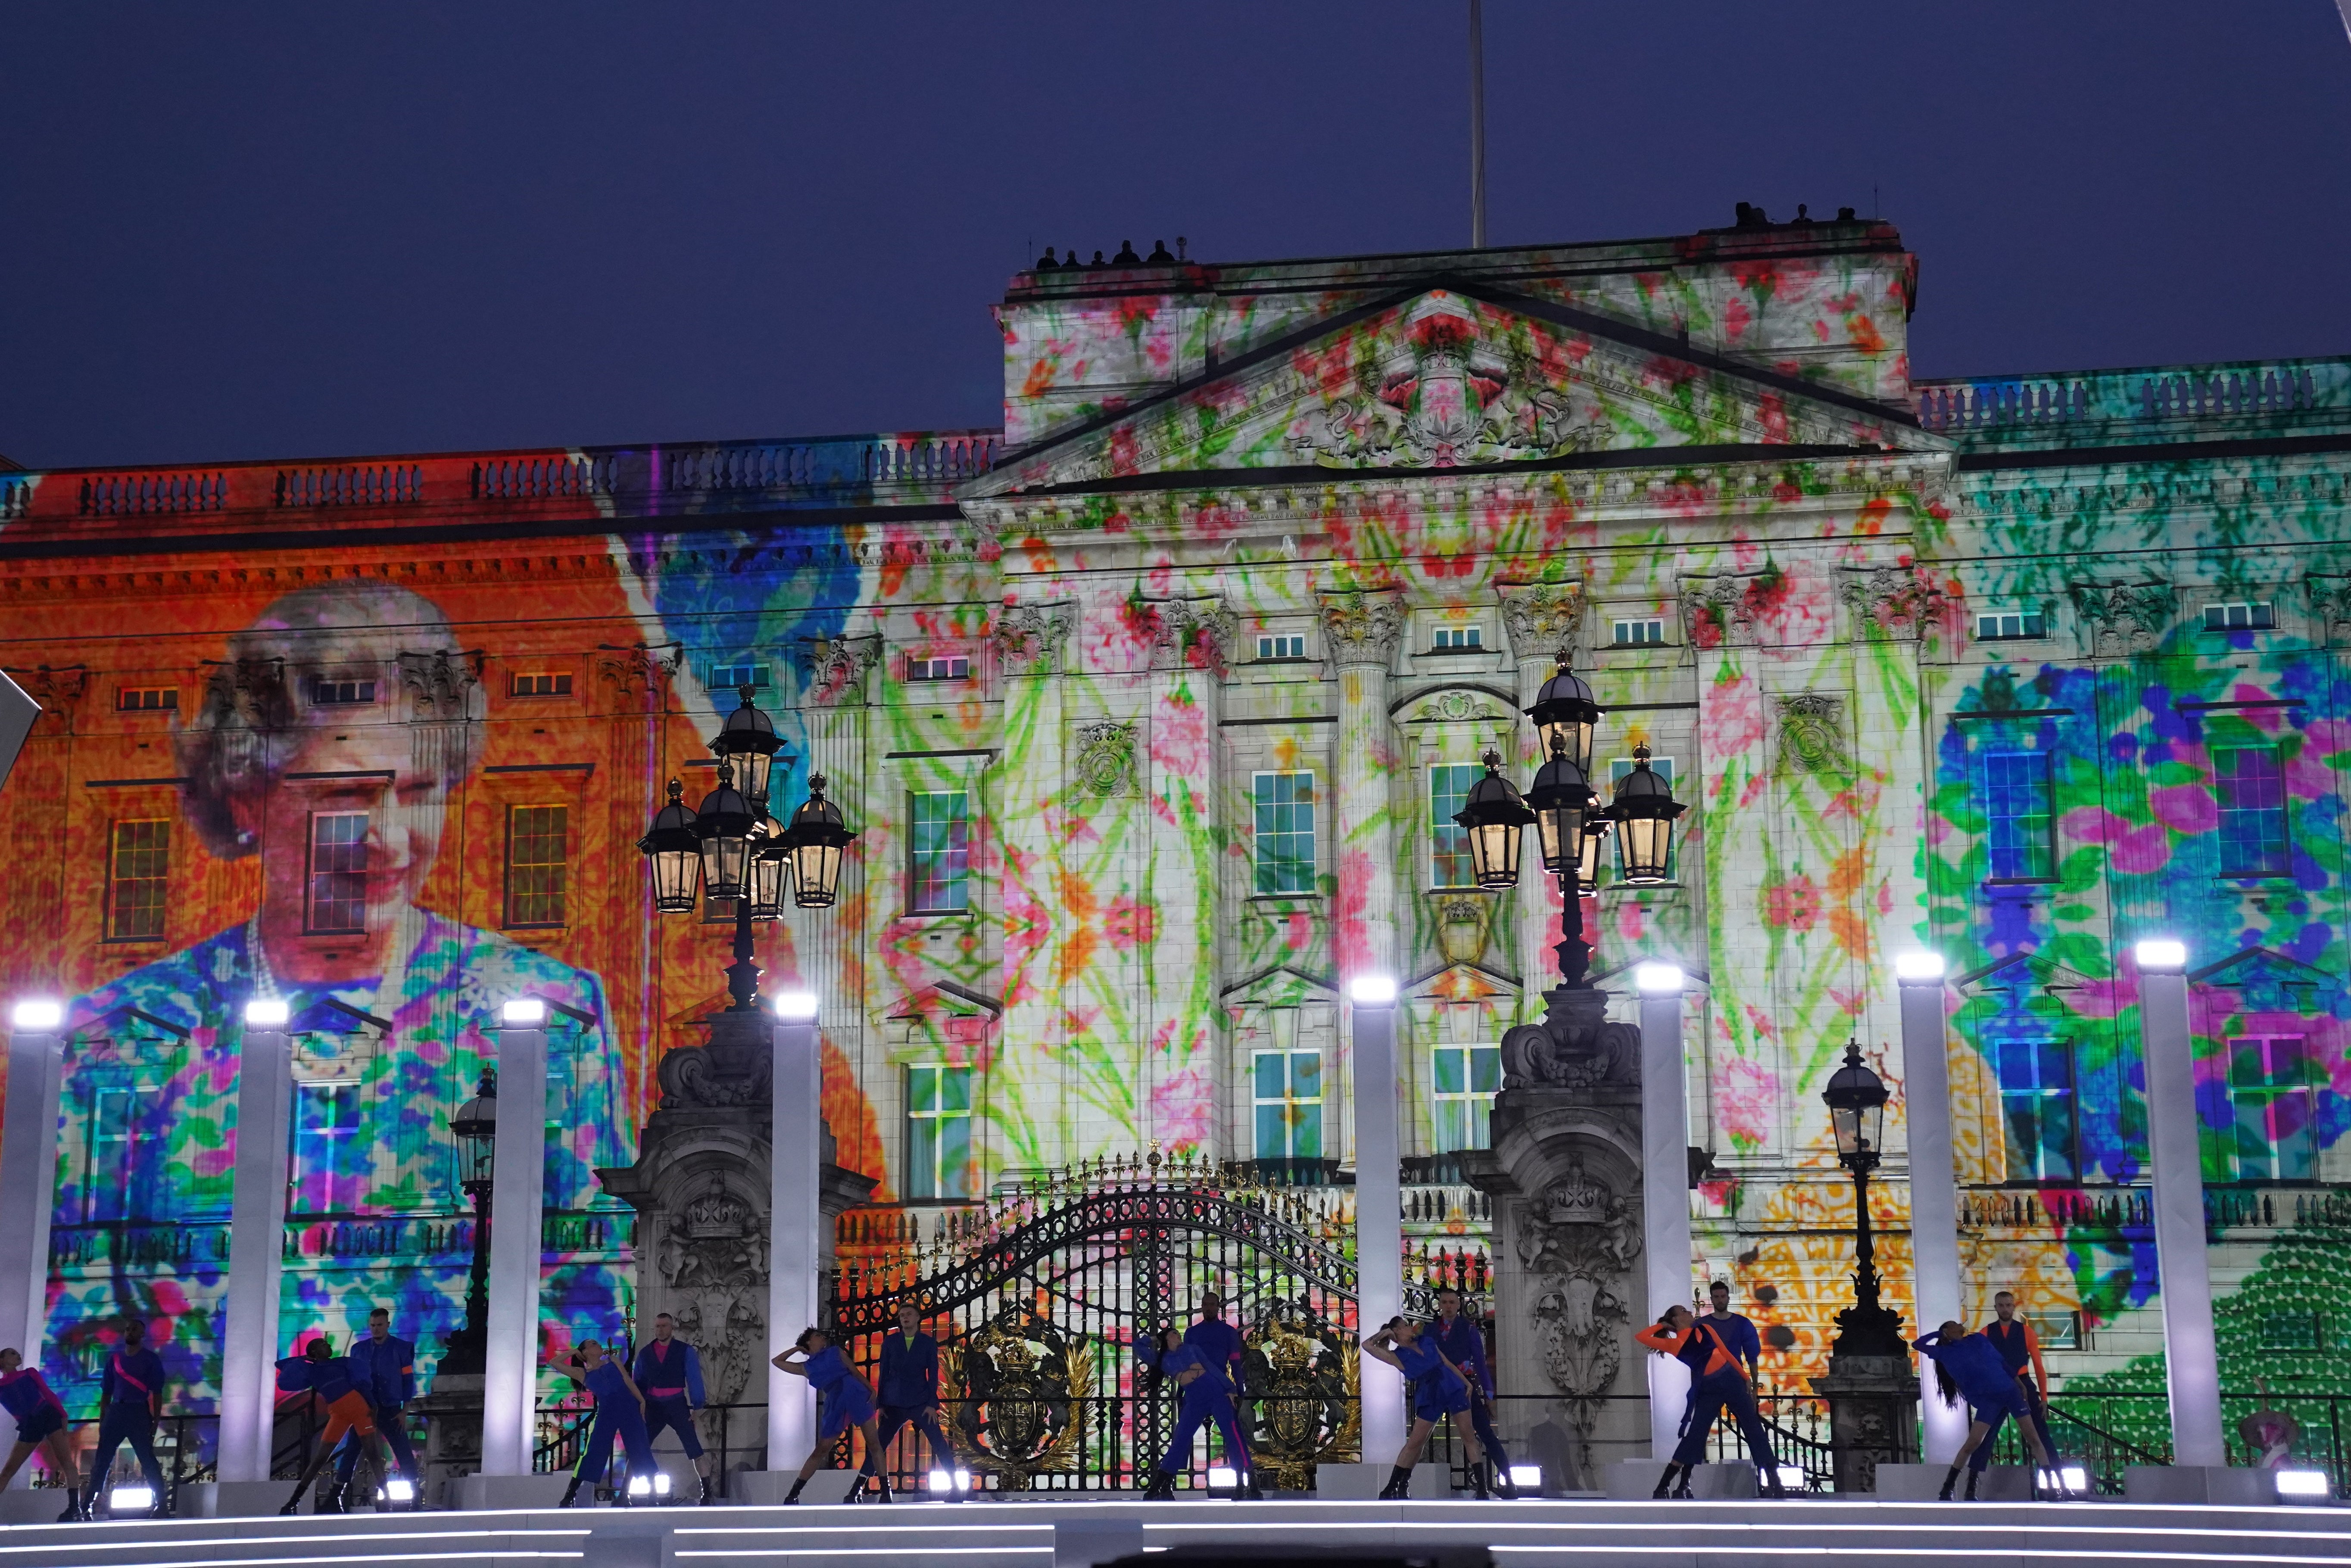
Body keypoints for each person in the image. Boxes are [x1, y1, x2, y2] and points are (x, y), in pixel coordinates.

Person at [53, 583, 630, 1377]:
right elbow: (67, 1294)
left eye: (421, 794)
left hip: (448, 1440)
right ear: (246, 792)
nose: (387, 843)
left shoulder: (549, 1010)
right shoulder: (124, 1027)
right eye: (345, 800)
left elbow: (594, 1274)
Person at [1634, 1304, 1784, 1500]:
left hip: (1731, 1380)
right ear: (1677, 1319)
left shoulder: (1705, 1329)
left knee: (1753, 1428)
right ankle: (1664, 1486)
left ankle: (1774, 1480)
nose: (1689, 1313)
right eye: (1684, 1312)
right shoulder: (1673, 1344)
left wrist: (1745, 1377)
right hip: (1709, 1388)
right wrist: (1663, 1325)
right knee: (1696, 1433)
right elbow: (1642, 1337)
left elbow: (1726, 1353)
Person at [1914, 1322, 2065, 1500]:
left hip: (2010, 1392)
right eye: (1955, 1325)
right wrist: (1938, 1335)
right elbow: (1917, 1345)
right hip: (1989, 1399)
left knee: (2033, 1438)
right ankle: (1948, 1487)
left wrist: (2019, 1384)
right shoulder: (1944, 1352)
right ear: (1947, 1332)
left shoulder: (1978, 1339)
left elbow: (2001, 1362)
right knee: (1973, 1443)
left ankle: (2052, 1487)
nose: (1960, 1325)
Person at [1361, 1317, 1491, 1500]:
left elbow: (1446, 1362)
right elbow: (1367, 1345)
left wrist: (1466, 1383)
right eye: (1405, 1326)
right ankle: (1393, 1487)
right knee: (1416, 1442)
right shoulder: (1397, 1356)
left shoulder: (1427, 1341)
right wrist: (1386, 1333)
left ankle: (1482, 1488)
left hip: (1452, 1387)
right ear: (1397, 1331)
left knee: (1468, 1435)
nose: (1409, 1327)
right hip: (1430, 1394)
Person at [773, 1328, 889, 1504]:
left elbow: (855, 1372)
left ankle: (886, 1492)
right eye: (817, 1336)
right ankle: (793, 1494)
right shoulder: (806, 1367)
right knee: (822, 1449)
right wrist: (798, 1349)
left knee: (874, 1444)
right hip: (836, 1403)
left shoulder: (835, 1352)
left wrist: (872, 1390)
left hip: (856, 1395)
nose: (822, 1338)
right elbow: (777, 1361)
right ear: (809, 1342)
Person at [1141, 1325, 1257, 1500]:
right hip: (1195, 1400)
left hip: (1216, 1393)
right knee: (1181, 1438)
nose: (1178, 1336)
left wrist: (1230, 1388)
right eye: (1174, 1334)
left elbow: (1211, 1367)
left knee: (1233, 1436)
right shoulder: (1161, 1359)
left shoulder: (1192, 1349)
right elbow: (1137, 1346)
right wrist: (1155, 1338)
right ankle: (1158, 1486)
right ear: (1166, 1338)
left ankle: (1249, 1485)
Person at [275, 1335, 386, 1515]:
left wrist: (373, 1406)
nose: (327, 1345)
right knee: (320, 1458)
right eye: (322, 1344)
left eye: (326, 1343)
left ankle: (387, 1500)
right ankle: (292, 1503)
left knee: (373, 1454)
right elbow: (281, 1364)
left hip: (359, 1408)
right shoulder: (311, 1371)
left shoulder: (341, 1363)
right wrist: (304, 1358)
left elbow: (361, 1382)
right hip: (338, 1413)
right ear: (313, 1352)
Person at [1430, 1288, 1516, 1499]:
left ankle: (1508, 1481)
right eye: (1445, 1302)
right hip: (1439, 1386)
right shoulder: (1431, 1331)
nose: (1448, 1306)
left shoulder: (1468, 1329)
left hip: (1464, 1388)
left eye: (1452, 1302)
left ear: (1459, 1305)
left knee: (1485, 1434)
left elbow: (1480, 1362)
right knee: (1422, 1435)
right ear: (1439, 1305)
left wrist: (1489, 1396)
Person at [1970, 1291, 2060, 1483]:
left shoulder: (2027, 1332)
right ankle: (1972, 1483)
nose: (2005, 1309)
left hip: (2022, 1383)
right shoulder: (1985, 1333)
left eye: (2008, 1305)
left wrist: (2044, 1398)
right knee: (1986, 1437)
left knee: (2041, 1434)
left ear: (2014, 1306)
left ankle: (2058, 1481)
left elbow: (2039, 1366)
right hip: (1998, 1386)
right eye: (2001, 1305)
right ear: (1996, 1308)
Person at [84, 1317, 169, 1520]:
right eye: (127, 1329)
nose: (130, 1332)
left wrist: (156, 1419)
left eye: (134, 1330)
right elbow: (106, 1392)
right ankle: (87, 1504)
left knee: (148, 1460)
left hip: (139, 1412)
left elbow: (157, 1392)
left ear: (142, 1334)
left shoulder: (150, 1359)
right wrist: (103, 1418)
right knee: (102, 1460)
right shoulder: (114, 1360)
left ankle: (162, 1504)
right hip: (116, 1412)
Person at [558, 1338, 658, 1508]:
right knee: (594, 1450)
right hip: (607, 1412)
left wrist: (642, 1401)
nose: (598, 1345)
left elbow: (627, 1380)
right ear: (586, 1351)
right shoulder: (582, 1373)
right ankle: (569, 1496)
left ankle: (653, 1497)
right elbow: (555, 1363)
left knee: (640, 1448)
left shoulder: (613, 1360)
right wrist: (575, 1351)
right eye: (593, 1344)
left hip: (629, 1408)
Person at [333, 1309, 417, 1504]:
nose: (376, 1329)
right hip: (365, 1408)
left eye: (380, 1325)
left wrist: (405, 1410)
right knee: (352, 1450)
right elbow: (352, 1379)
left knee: (402, 1450)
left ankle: (415, 1497)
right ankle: (337, 1494)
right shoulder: (358, 1350)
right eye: (373, 1326)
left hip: (390, 1407)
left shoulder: (402, 1348)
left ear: (388, 1325)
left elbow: (408, 1380)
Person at [874, 1302, 955, 1500]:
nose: (905, 1318)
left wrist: (931, 1404)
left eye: (909, 1314)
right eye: (902, 1315)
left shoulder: (927, 1343)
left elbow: (933, 1375)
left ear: (918, 1318)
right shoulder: (891, 1342)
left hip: (920, 1401)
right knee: (878, 1445)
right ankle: (869, 1488)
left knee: (939, 1443)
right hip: (894, 1402)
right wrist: (881, 1404)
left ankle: (956, 1486)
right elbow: (883, 1372)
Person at [634, 1313, 715, 1504]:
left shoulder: (685, 1351)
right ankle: (645, 1492)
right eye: (657, 1326)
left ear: (672, 1328)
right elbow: (638, 1382)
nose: (660, 1329)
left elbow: (694, 1378)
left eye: (664, 1326)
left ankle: (707, 1491)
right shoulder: (646, 1353)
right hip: (653, 1404)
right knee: (640, 1448)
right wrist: (638, 1406)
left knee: (694, 1448)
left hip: (676, 1403)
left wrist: (698, 1406)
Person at [0, 1348, 80, 1521]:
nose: (18, 1355)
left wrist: (64, 1416)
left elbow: (48, 1394)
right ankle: (74, 1508)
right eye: (12, 1354)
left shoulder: (30, 1373)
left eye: (17, 1353)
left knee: (66, 1461)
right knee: (8, 1470)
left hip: (47, 1415)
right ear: (2, 1360)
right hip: (30, 1424)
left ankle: (75, 1507)